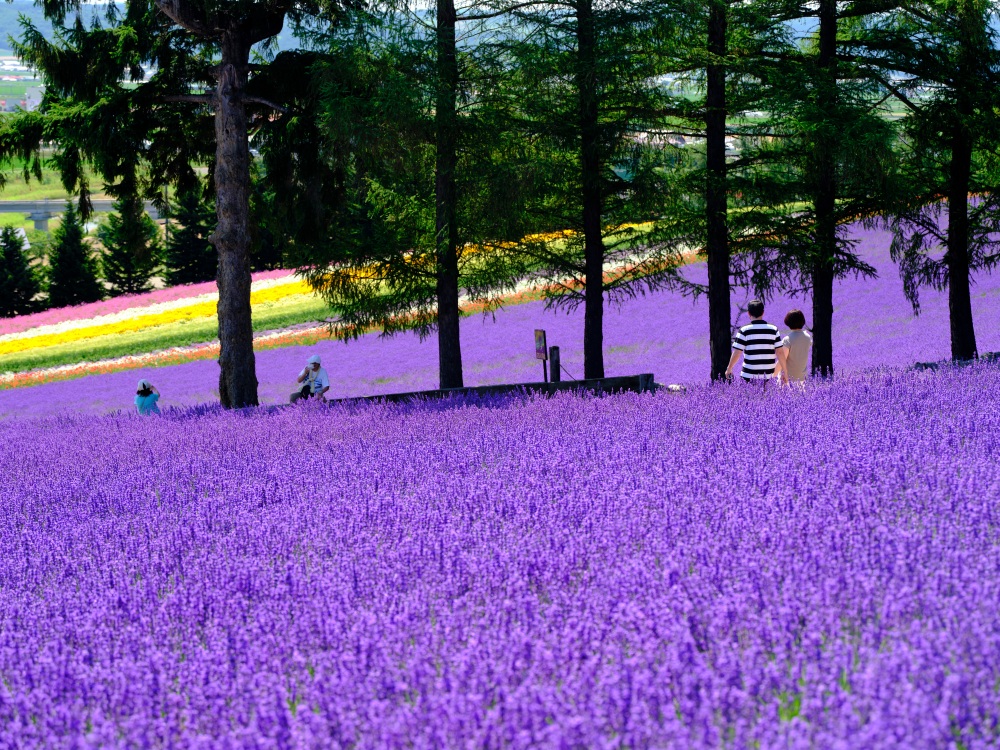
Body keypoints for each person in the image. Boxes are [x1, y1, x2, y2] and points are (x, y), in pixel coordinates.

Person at [725, 299, 787, 383]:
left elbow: (737, 352)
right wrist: (785, 371)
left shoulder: (744, 330)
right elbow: (780, 352)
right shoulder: (773, 330)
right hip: (769, 376)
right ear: (763, 312)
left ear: (749, 313)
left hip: (748, 376)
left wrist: (729, 368)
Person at [778, 309, 813, 385]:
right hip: (802, 377)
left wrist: (774, 373)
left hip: (788, 379)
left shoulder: (787, 339)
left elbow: (782, 360)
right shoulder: (807, 337)